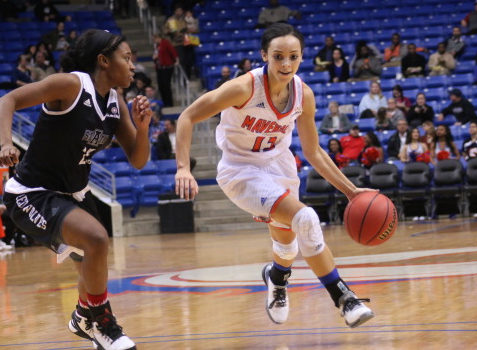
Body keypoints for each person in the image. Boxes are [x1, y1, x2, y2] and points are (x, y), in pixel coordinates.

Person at [174, 23, 375, 328]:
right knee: (306, 218)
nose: (285, 64)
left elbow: (314, 151)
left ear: (301, 57)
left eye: (293, 57)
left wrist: (350, 191)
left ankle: (276, 277)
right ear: (264, 55)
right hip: (240, 169)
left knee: (288, 242)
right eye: (278, 56)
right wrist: (183, 167)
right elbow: (187, 116)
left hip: (279, 166)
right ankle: (344, 297)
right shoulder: (243, 88)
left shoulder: (303, 95)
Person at [0, 29, 151, 350]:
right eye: (126, 57)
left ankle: (84, 316)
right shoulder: (71, 84)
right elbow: (8, 99)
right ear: (104, 61)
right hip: (32, 193)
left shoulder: (116, 102)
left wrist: (143, 127)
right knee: (96, 239)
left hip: (75, 195)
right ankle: (102, 322)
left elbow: (138, 160)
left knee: (90, 266)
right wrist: (4, 142)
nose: (132, 65)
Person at [153, 32, 178, 107]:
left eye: (154, 39)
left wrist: (176, 60)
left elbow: (172, 51)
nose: (154, 40)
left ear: (158, 38)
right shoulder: (156, 46)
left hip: (167, 67)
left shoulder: (165, 43)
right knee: (161, 86)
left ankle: (169, 103)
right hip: (159, 68)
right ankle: (164, 102)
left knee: (166, 85)